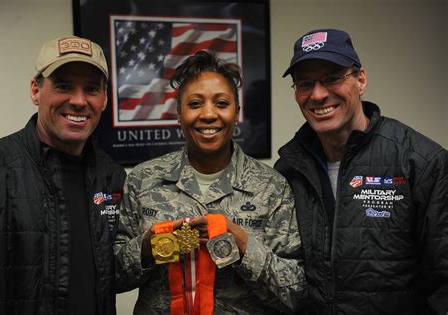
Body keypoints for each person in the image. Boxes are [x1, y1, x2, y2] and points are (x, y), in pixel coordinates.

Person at [114, 50, 306, 314]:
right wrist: (146, 249)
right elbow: (111, 277)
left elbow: (295, 291)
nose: (208, 114)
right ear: (178, 114)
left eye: (221, 103)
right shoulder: (144, 180)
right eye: (195, 104)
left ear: (236, 112)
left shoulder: (272, 187)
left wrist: (244, 247)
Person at [274, 28, 448, 314]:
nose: (318, 95)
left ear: (361, 80)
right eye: (305, 83)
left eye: (332, 78)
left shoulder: (421, 162)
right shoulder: (289, 169)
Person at [0, 36, 126, 314]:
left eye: (91, 89)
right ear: (35, 91)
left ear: (104, 99)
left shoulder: (112, 176)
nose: (79, 101)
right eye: (64, 86)